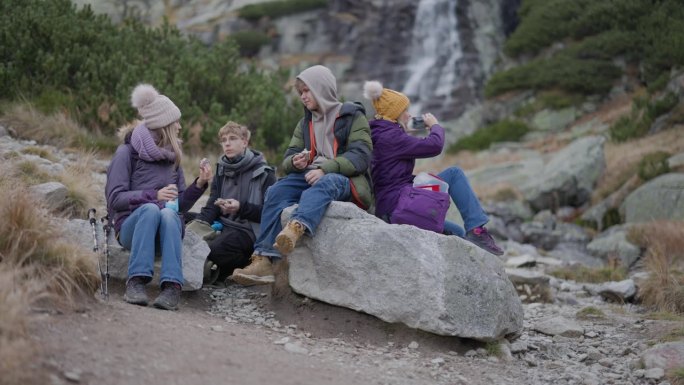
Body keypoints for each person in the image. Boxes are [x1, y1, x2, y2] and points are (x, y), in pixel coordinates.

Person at [230, 65, 373, 286]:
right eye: (301, 92)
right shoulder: (305, 122)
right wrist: (296, 163)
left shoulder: (352, 116)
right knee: (277, 190)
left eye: (308, 91)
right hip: (310, 174)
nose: (303, 97)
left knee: (327, 182)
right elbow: (288, 158)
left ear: (322, 89)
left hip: (345, 179)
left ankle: (296, 227)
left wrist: (326, 168)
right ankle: (264, 260)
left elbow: (361, 156)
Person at [363, 81, 503, 256]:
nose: (408, 115)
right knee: (454, 174)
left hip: (392, 205)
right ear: (395, 114)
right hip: (399, 206)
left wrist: (404, 133)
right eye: (404, 111)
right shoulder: (391, 137)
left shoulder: (381, 132)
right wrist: (434, 126)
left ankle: (474, 236)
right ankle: (477, 230)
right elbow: (435, 145)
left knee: (458, 233)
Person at [105, 84, 213, 310]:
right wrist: (153, 196)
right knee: (152, 209)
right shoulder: (126, 153)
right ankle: (136, 282)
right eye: (176, 122)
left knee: (169, 215)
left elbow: (179, 204)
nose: (180, 127)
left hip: (166, 233)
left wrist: (200, 184)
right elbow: (115, 199)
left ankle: (172, 288)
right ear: (163, 126)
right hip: (132, 230)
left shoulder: (173, 157)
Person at [191, 121, 276, 282]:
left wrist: (240, 208)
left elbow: (269, 214)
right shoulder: (221, 170)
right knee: (181, 222)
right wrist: (195, 227)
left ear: (244, 142)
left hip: (248, 231)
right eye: (223, 140)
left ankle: (245, 264)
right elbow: (211, 207)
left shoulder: (265, 173)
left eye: (232, 138)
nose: (227, 143)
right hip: (222, 225)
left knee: (214, 250)